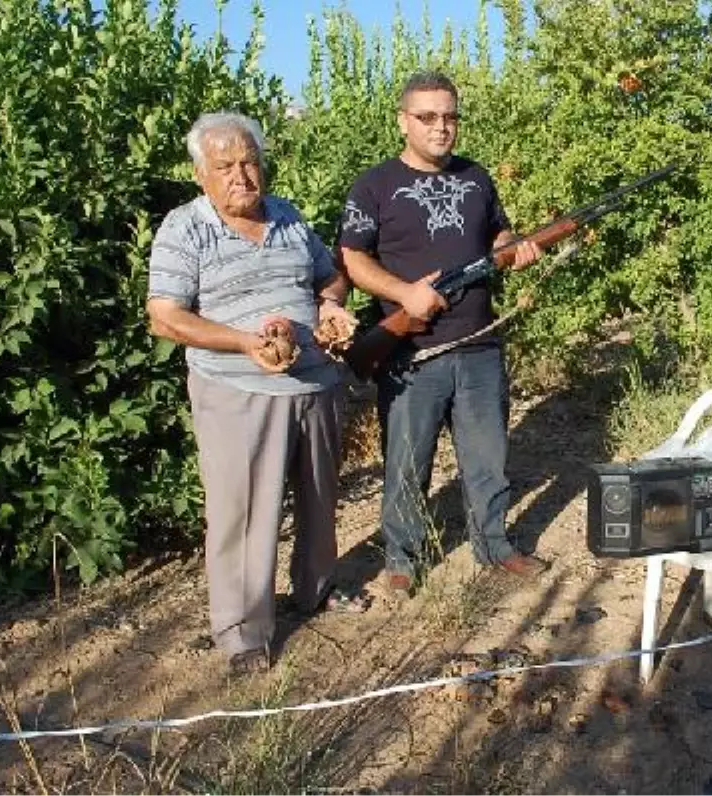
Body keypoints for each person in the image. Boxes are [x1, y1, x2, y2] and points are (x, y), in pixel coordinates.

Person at [146, 111, 364, 675]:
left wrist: (331, 305)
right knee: (242, 511)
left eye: (250, 161)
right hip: (236, 389)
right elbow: (165, 317)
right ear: (201, 174)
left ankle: (315, 590)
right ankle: (244, 632)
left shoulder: (287, 216)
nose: (242, 175)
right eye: (225, 166)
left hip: (316, 381)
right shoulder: (184, 228)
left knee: (320, 496)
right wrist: (244, 343)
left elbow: (329, 274)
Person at [338, 72, 547, 591]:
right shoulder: (373, 185)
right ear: (402, 122)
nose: (441, 126)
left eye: (450, 116)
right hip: (412, 352)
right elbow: (352, 258)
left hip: (480, 344)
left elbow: (498, 232)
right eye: (427, 117)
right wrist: (405, 294)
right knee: (408, 464)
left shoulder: (477, 178)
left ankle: (495, 547)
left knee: (488, 461)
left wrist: (515, 247)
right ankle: (403, 561)